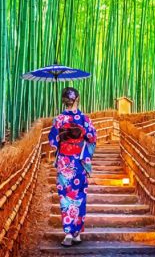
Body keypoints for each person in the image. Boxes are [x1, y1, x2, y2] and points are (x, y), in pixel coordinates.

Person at [48, 87, 97, 246]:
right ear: (77, 99)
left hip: (64, 163)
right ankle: (76, 233)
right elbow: (92, 138)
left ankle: (68, 233)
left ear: (64, 100)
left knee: (66, 197)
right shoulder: (84, 119)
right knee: (79, 197)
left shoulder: (59, 119)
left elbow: (52, 142)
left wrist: (61, 136)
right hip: (79, 162)